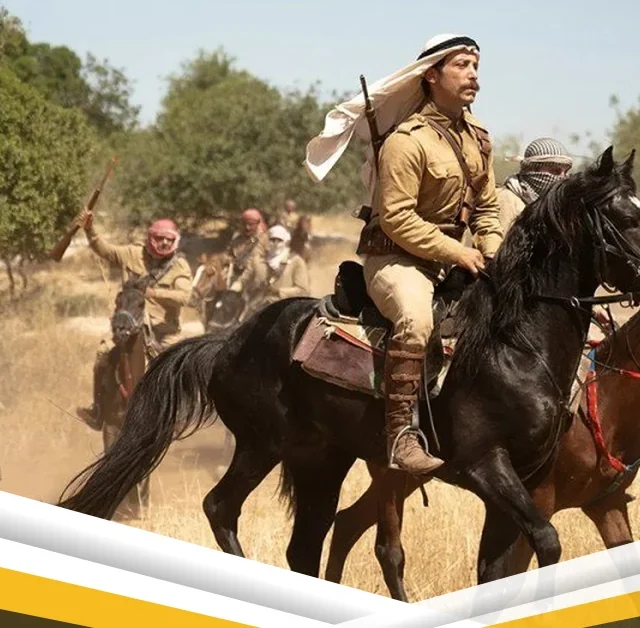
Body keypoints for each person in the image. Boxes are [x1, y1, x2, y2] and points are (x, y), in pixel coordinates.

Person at [306, 34, 504, 477]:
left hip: (454, 259)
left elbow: (487, 208)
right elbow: (396, 218)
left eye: (476, 65)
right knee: (416, 319)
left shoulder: (479, 138)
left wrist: (491, 251)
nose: (473, 74)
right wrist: (458, 252)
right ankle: (401, 436)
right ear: (431, 75)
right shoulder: (406, 140)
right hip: (396, 259)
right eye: (462, 65)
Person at [75, 209, 193, 429]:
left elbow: (184, 297)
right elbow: (104, 250)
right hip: (128, 325)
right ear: (151, 238)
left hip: (163, 331)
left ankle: (178, 413)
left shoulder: (179, 266)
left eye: (169, 240)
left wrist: (154, 293)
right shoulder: (132, 253)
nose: (165, 243)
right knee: (103, 354)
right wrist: (89, 229)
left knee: (179, 364)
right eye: (160, 238)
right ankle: (98, 410)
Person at [497, 137, 574, 233]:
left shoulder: (555, 207)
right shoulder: (507, 199)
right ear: (531, 170)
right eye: (555, 171)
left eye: (565, 172)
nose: (562, 178)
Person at [230, 225, 310, 309]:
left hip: (283, 308)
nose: (276, 244)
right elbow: (243, 281)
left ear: (286, 242)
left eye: (279, 240)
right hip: (256, 306)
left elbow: (303, 290)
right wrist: (231, 291)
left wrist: (279, 291)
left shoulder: (296, 262)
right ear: (268, 241)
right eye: (273, 240)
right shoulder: (258, 261)